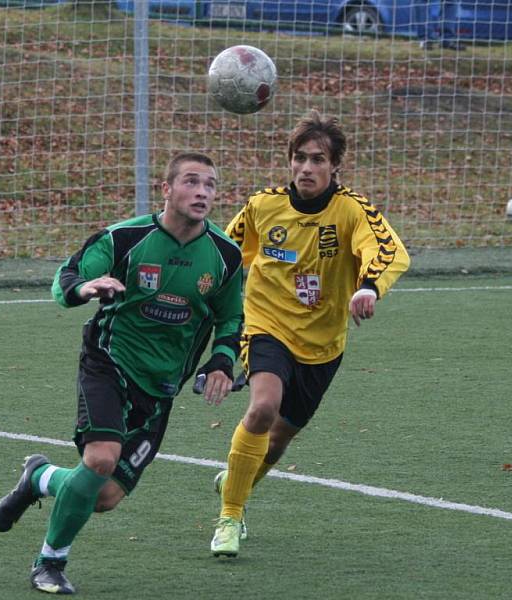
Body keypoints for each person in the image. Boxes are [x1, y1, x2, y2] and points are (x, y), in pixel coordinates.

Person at [0, 152, 244, 594]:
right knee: (101, 459)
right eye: (191, 181)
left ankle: (39, 477)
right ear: (166, 190)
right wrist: (85, 287)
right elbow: (66, 277)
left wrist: (222, 361)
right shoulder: (124, 239)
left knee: (105, 496)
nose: (202, 191)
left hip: (162, 386)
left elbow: (231, 318)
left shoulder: (224, 255)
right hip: (108, 362)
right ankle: (49, 562)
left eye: (210, 184)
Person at [209, 111, 410, 558]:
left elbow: (390, 250)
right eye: (299, 158)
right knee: (262, 407)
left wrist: (368, 287)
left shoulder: (353, 211)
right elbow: (223, 253)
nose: (306, 168)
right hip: (266, 324)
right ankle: (230, 515)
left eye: (317, 159)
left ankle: (238, 479)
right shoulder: (263, 206)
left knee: (277, 440)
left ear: (335, 166)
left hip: (323, 344)